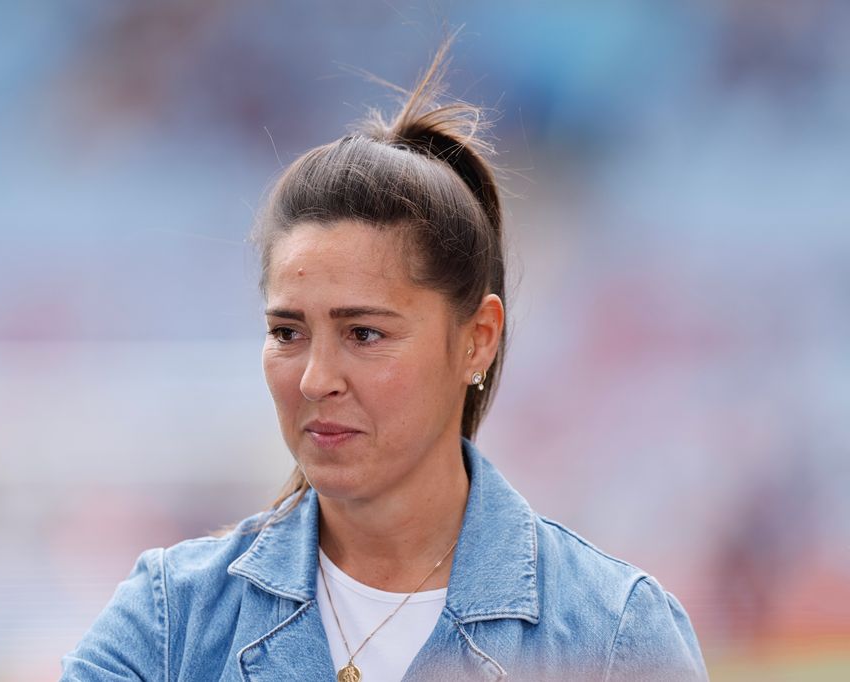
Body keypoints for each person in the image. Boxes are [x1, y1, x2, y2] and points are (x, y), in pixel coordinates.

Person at [61, 41, 708, 681]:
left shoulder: (614, 632)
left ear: (478, 338)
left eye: (364, 334)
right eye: (288, 332)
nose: (316, 379)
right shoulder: (170, 620)